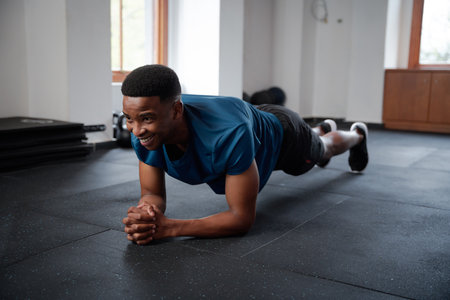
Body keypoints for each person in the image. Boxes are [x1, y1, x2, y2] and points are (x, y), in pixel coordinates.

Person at [121, 64, 368, 245]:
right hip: (251, 120)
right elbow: (152, 194)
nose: (136, 129)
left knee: (322, 151)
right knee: (315, 142)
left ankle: (356, 135)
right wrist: (147, 215)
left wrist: (171, 228)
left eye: (147, 119)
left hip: (284, 136)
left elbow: (240, 218)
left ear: (176, 110)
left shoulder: (229, 133)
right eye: (129, 119)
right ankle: (319, 129)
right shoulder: (142, 134)